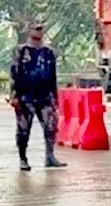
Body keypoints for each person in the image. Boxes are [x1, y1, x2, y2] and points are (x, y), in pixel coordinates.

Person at [9, 23, 67, 171]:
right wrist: (14, 96)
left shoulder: (48, 52)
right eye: (36, 29)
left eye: (41, 29)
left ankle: (50, 156)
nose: (38, 32)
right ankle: (23, 159)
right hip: (25, 96)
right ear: (30, 31)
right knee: (23, 129)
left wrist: (55, 97)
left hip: (44, 96)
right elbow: (14, 73)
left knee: (50, 127)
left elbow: (53, 75)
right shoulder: (21, 51)